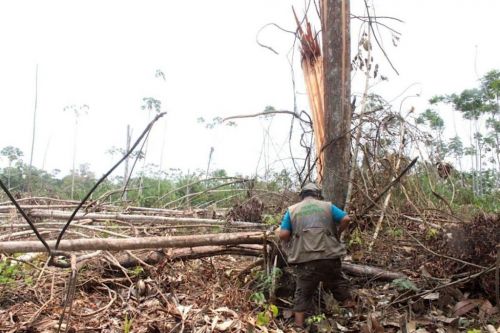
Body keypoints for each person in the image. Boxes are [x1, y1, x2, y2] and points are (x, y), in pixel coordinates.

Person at [278, 182, 354, 328]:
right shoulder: (327, 206)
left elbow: (283, 234)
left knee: (302, 294)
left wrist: (292, 240)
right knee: (339, 285)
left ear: (302, 196)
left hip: (306, 259)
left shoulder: (292, 210)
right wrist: (337, 233)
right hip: (329, 256)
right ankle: (355, 319)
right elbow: (346, 219)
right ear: (317, 195)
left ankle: (298, 327)